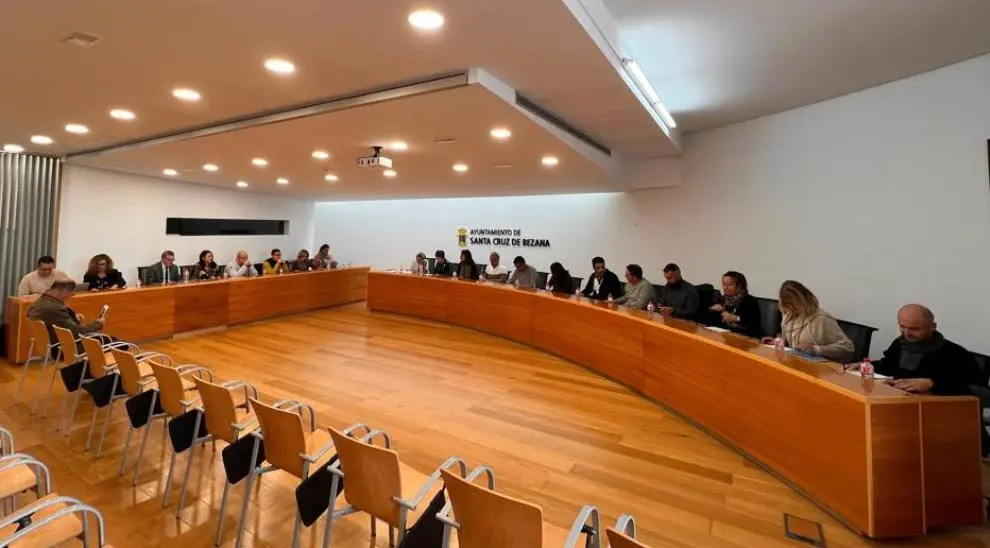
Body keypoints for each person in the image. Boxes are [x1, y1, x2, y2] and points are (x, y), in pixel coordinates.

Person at [855, 304, 982, 395]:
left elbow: (981, 392)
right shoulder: (900, 343)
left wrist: (931, 384)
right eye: (902, 327)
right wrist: (865, 366)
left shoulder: (955, 354)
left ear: (932, 327)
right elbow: (887, 366)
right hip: (901, 401)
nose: (906, 333)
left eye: (914, 329)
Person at [760, 280, 854, 362]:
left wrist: (817, 349)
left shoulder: (821, 319)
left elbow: (848, 347)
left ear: (804, 299)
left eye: (793, 304)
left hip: (817, 372)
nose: (791, 309)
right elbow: (793, 345)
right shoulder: (788, 315)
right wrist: (778, 342)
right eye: (787, 305)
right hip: (794, 364)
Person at [27, 278, 105, 343]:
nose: (70, 297)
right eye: (71, 294)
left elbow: (59, 321)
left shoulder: (40, 301)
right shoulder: (56, 309)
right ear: (65, 291)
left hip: (49, 344)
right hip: (65, 348)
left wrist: (73, 317)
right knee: (109, 341)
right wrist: (98, 323)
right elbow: (79, 332)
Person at [708, 271, 761, 337]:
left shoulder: (750, 301)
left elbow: (753, 324)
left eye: (729, 285)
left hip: (743, 338)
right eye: (724, 284)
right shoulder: (722, 299)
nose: (725, 287)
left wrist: (736, 318)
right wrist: (711, 308)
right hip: (724, 336)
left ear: (739, 286)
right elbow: (709, 320)